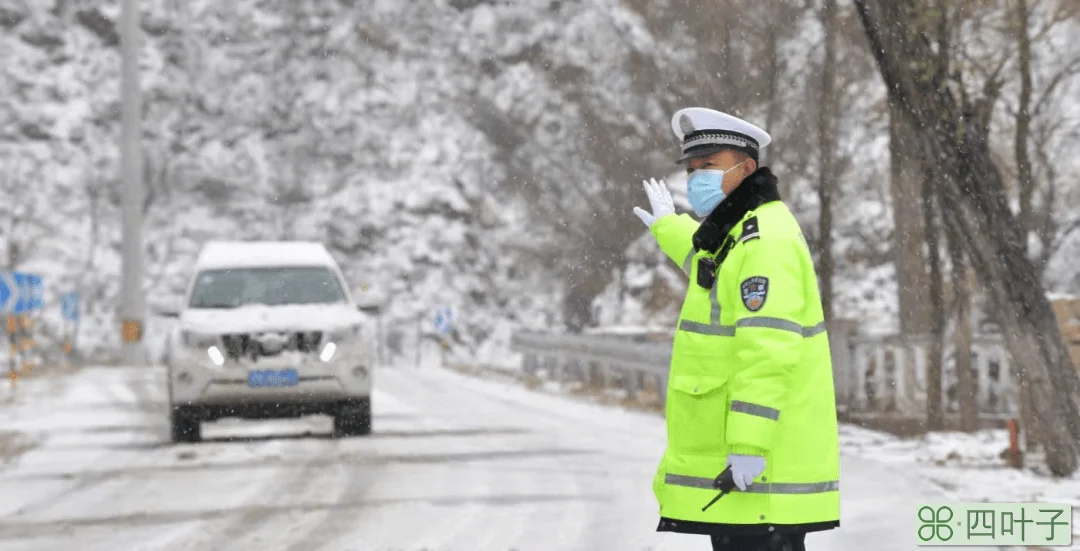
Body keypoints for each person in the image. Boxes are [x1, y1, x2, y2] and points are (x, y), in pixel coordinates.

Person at [633, 107, 840, 551]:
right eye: (691, 169)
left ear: (746, 168)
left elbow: (768, 350)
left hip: (760, 470)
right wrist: (669, 229)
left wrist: (749, 446)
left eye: (708, 165)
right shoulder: (738, 232)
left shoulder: (765, 240)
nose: (696, 178)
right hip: (749, 474)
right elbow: (711, 272)